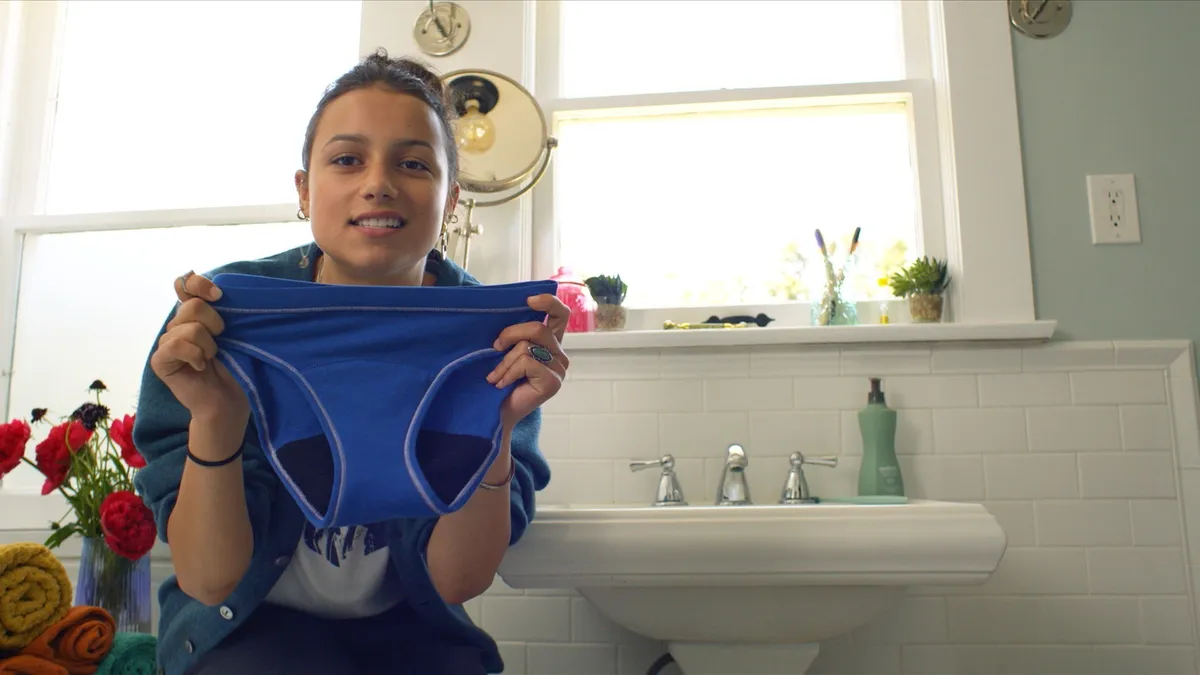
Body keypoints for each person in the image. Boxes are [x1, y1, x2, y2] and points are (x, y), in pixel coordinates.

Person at [131, 49, 569, 675]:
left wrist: (492, 429)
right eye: (346, 159)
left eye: (414, 163)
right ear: (305, 191)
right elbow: (208, 580)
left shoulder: (493, 343)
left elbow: (456, 583)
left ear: (451, 201)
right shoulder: (218, 327)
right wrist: (215, 419)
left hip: (413, 627)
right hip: (245, 627)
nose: (378, 182)